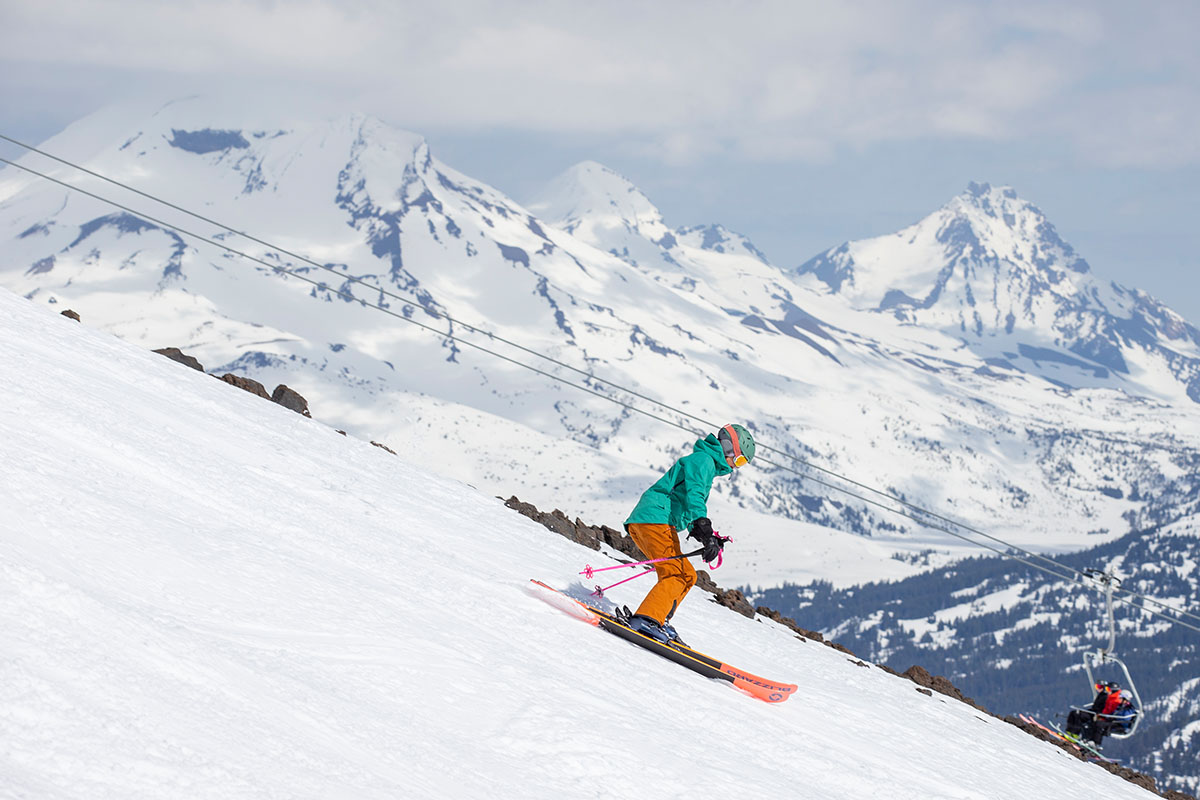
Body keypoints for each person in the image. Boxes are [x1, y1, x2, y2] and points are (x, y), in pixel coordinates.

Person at [619, 423, 756, 645]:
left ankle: (657, 619)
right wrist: (704, 527)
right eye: (739, 460)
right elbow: (695, 496)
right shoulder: (703, 461)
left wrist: (706, 535)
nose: (736, 467)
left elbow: (689, 504)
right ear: (729, 448)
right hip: (655, 519)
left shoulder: (705, 464)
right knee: (677, 574)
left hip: (654, 520)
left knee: (687, 575)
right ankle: (646, 620)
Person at [1066, 681, 1124, 746]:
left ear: (1113, 690)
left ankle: (1086, 740)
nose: (1107, 691)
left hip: (1100, 716)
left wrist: (1100, 716)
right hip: (1098, 714)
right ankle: (1071, 733)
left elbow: (1110, 711)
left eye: (1108, 689)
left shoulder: (1114, 699)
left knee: (1093, 722)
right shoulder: (1110, 697)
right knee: (1074, 713)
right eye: (1106, 689)